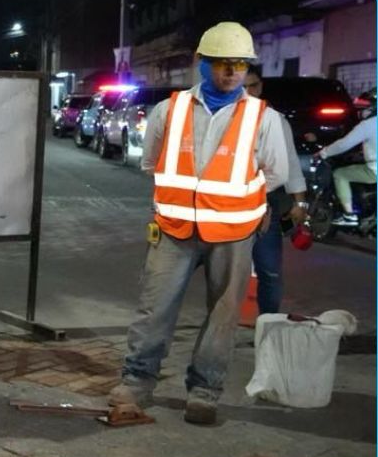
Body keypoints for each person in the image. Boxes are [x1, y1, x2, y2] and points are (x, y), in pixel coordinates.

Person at [109, 22, 293, 426]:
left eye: (240, 65)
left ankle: (204, 390)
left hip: (232, 233)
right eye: (222, 63)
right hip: (174, 229)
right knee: (154, 308)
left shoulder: (263, 118)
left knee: (223, 314)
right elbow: (151, 162)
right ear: (202, 63)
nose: (231, 72)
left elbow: (275, 173)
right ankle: (136, 382)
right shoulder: (168, 110)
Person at [243, 66, 310, 315]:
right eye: (243, 86)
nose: (248, 92)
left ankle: (268, 324)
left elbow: (291, 164)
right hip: (225, 204)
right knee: (221, 270)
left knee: (269, 270)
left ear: (260, 86)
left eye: (254, 86)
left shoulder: (273, 120)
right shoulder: (221, 118)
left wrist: (300, 203)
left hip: (264, 204)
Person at [313, 89, 377, 227]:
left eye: (367, 106)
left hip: (375, 171)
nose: (363, 110)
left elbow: (344, 144)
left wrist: (323, 153)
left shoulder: (369, 124)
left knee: (340, 174)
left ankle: (349, 215)